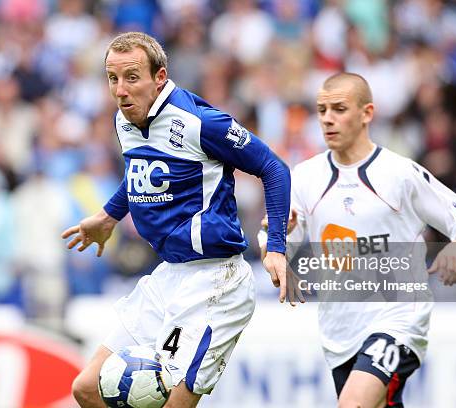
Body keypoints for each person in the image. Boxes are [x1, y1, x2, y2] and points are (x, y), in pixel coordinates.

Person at [62, 32, 291, 408]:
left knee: (172, 403)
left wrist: (277, 248)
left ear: (160, 77)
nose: (120, 90)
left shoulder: (199, 121)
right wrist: (108, 216)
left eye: (132, 77)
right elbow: (143, 172)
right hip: (169, 276)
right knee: (86, 387)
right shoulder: (126, 121)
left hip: (216, 283)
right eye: (112, 78)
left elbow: (273, 167)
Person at [259, 73, 456, 408]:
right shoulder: (304, 178)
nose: (327, 119)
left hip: (398, 318)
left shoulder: (400, 173)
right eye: (321, 110)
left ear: (367, 113)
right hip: (340, 331)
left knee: (353, 404)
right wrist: (280, 241)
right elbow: (272, 254)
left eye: (339, 109)